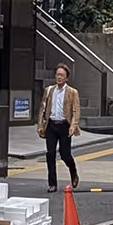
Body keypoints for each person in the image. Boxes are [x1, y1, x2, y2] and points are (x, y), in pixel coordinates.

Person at [36, 63, 80, 193]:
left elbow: (76, 111)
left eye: (62, 75)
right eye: (58, 74)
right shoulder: (49, 90)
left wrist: (73, 125)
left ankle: (73, 171)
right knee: (50, 154)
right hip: (51, 125)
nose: (59, 77)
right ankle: (52, 183)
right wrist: (40, 125)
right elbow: (42, 108)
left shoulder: (72, 92)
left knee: (65, 154)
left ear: (66, 78)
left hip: (65, 126)